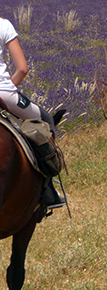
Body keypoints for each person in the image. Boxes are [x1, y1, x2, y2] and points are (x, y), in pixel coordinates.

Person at [0, 16, 65, 209]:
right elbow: (22, 69)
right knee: (45, 118)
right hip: (3, 93)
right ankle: (48, 188)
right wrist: (7, 89)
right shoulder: (4, 25)